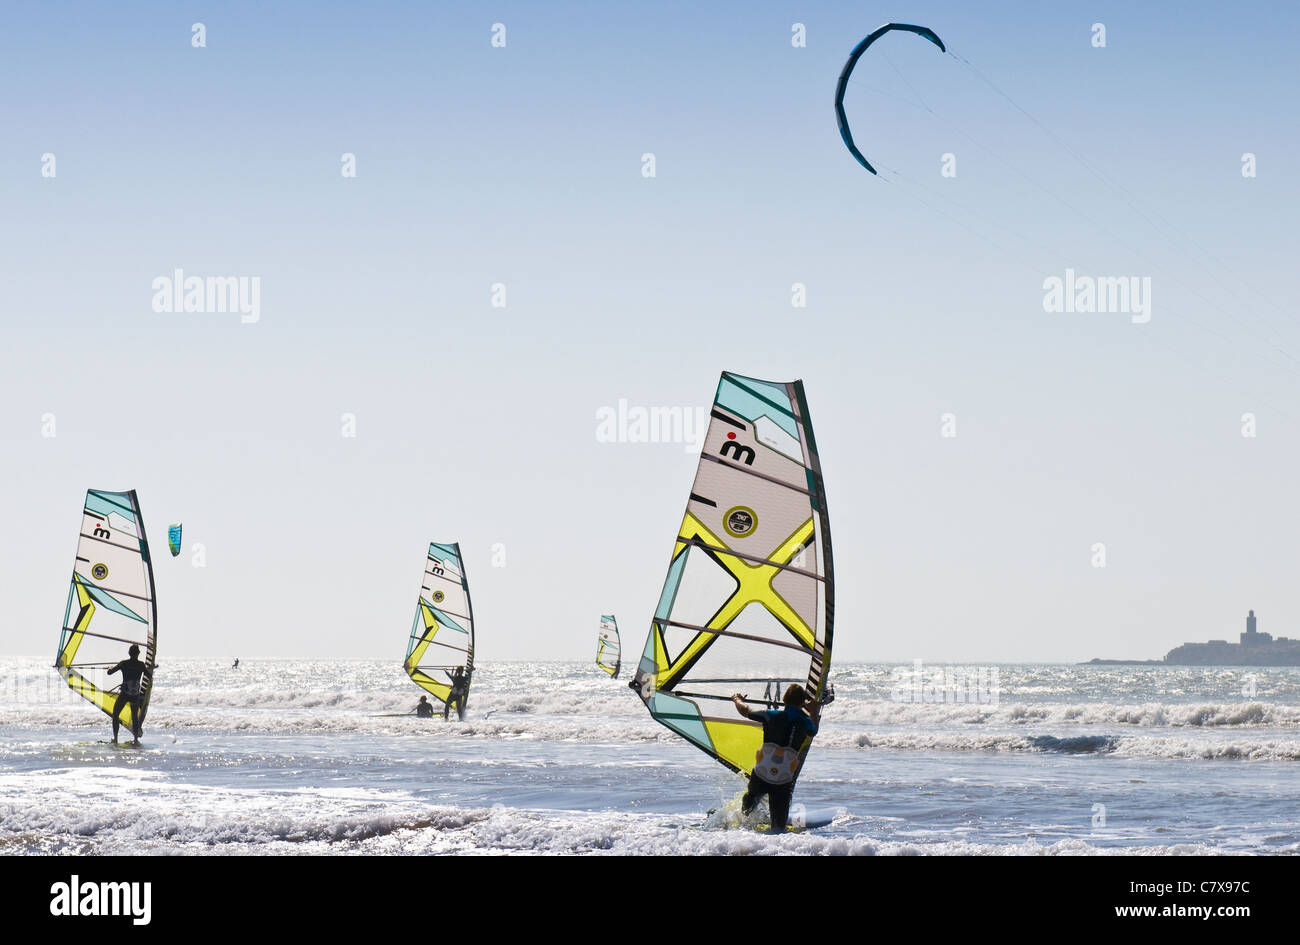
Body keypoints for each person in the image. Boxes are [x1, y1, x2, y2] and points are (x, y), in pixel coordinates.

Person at [731, 683, 821, 832]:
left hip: (761, 774)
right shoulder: (805, 722)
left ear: (785, 700)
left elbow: (745, 711)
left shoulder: (770, 715)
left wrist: (736, 699)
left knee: (748, 808)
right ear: (802, 703)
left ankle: (741, 832)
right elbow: (814, 731)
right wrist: (814, 711)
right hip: (783, 780)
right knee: (779, 828)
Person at [107, 644, 148, 746]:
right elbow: (149, 675)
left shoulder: (123, 664)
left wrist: (109, 668)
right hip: (135, 695)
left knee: (115, 714)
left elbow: (110, 672)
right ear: (138, 653)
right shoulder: (141, 665)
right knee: (134, 717)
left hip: (125, 694)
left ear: (129, 653)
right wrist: (150, 668)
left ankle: (116, 739)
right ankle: (135, 739)